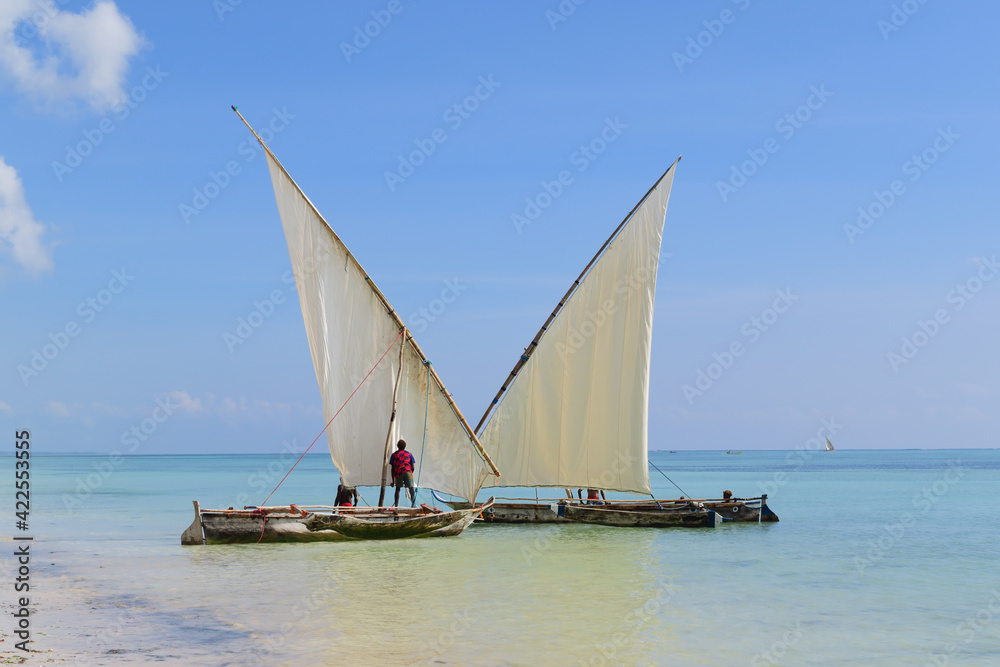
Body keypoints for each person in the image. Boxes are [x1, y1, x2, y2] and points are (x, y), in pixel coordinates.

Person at [389, 439, 416, 507]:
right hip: (407, 471)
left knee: (398, 489)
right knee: (411, 489)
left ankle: (396, 507)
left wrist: (393, 481)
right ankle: (413, 506)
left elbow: (392, 469)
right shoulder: (409, 454)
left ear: (397, 446)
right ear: (405, 446)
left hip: (399, 472)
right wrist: (409, 474)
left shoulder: (394, 455)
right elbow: (413, 467)